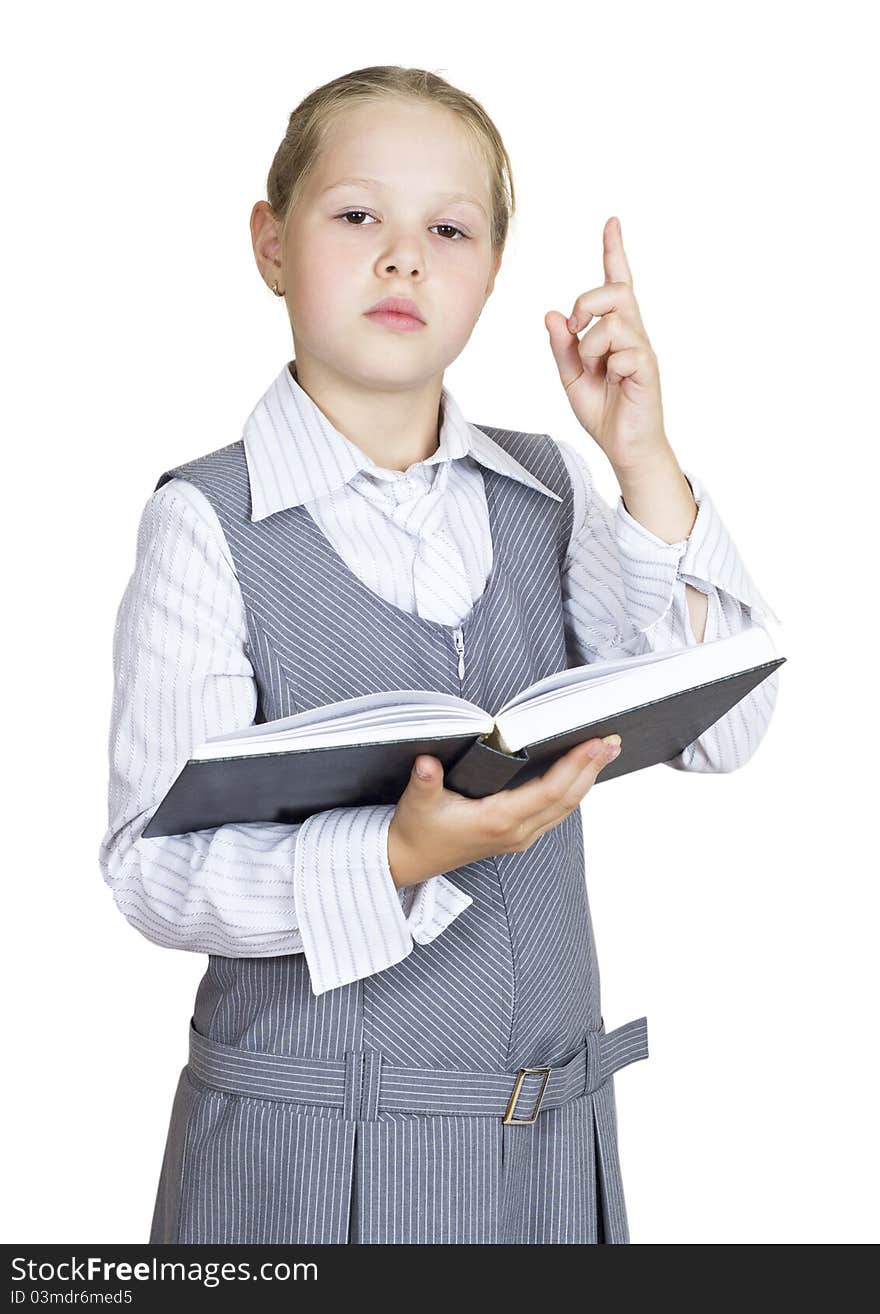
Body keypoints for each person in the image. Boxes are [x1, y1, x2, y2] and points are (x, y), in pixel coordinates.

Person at [98, 65, 781, 1245]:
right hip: (311, 1170)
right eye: (358, 215)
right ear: (271, 243)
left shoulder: (552, 491)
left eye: (448, 229)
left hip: (549, 1166)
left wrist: (643, 460)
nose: (403, 256)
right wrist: (389, 856)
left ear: (494, 275)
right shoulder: (207, 522)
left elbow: (720, 733)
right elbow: (148, 870)